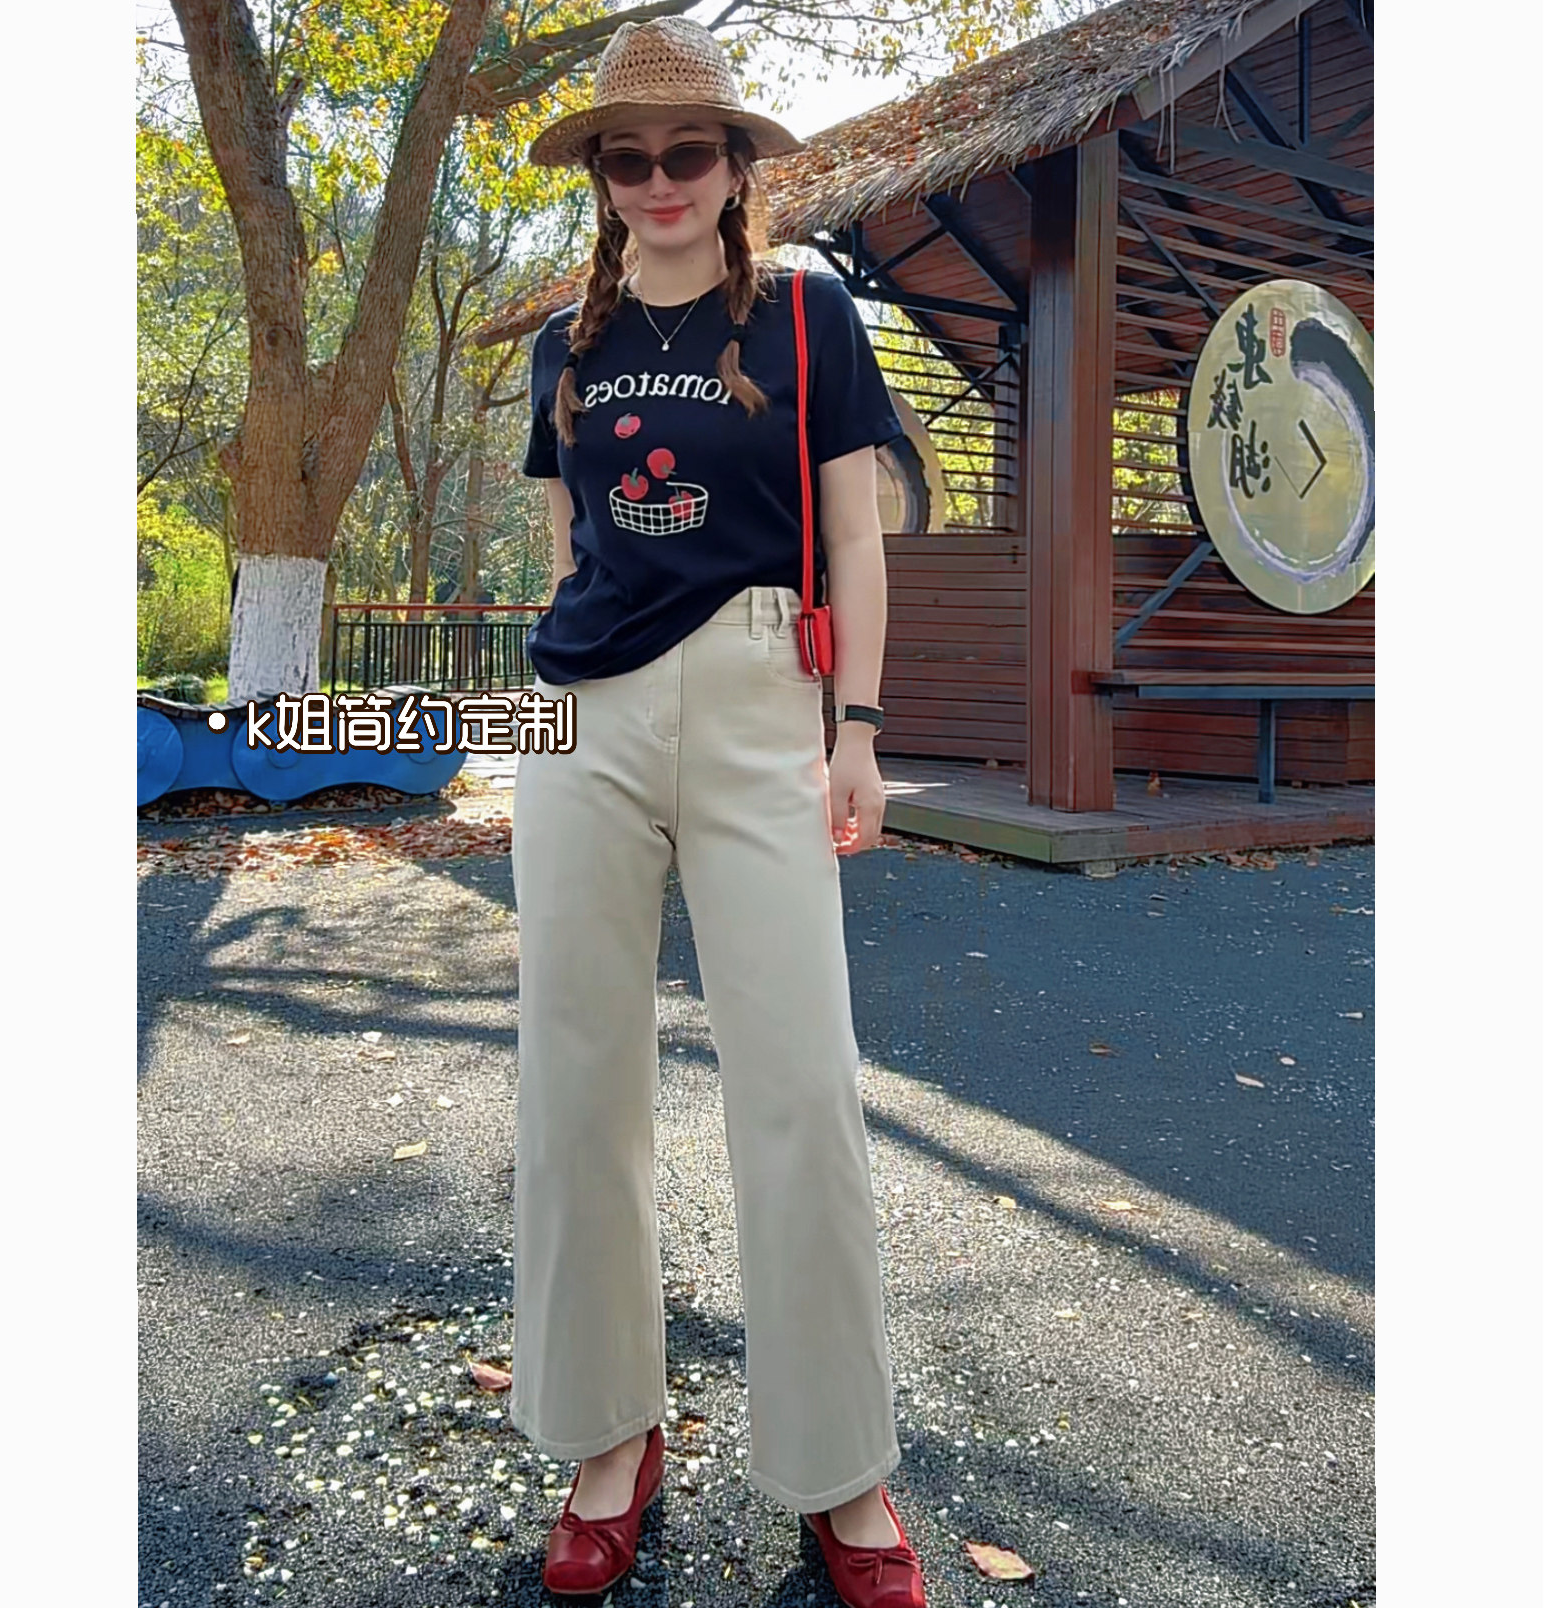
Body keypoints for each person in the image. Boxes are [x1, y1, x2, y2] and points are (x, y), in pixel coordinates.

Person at [511, 18, 925, 1608]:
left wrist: (859, 733)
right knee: (574, 1079)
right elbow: (569, 552)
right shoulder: (566, 346)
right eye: (629, 158)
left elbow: (857, 540)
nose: (661, 179)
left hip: (762, 706)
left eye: (690, 151)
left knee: (801, 1084)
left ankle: (840, 1465)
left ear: (738, 164)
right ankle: (606, 1436)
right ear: (603, 179)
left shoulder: (808, 314)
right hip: (581, 717)